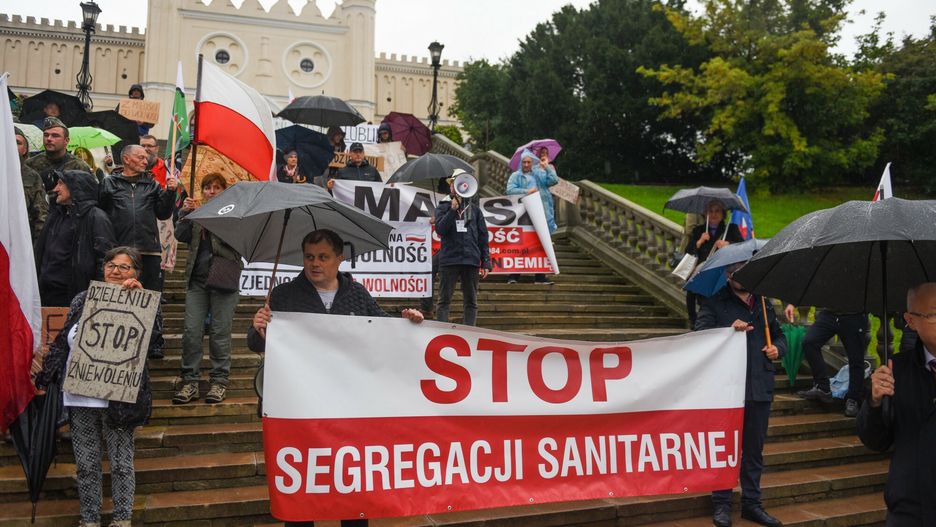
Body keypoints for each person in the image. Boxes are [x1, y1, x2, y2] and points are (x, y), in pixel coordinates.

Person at [248, 229, 422, 527]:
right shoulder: (284, 295)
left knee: (352, 490)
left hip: (348, 409)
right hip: (299, 411)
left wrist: (407, 322)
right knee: (301, 491)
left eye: (323, 257)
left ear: (340, 259)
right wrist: (258, 328)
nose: (315, 264)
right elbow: (257, 344)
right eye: (309, 257)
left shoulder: (357, 293)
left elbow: (383, 332)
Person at [35, 246, 162, 527]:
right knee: (87, 464)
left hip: (117, 399)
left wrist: (141, 300)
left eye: (124, 267)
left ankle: (122, 519)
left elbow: (154, 342)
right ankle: (89, 519)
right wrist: (48, 375)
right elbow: (63, 342)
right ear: (103, 269)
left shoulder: (141, 300)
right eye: (111, 265)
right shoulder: (83, 299)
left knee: (120, 463)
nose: (116, 271)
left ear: (136, 272)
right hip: (80, 396)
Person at [696, 261, 786, 527]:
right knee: (725, 449)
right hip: (727, 389)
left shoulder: (764, 304)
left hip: (759, 387)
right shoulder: (714, 302)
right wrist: (727, 331)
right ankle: (722, 504)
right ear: (726, 274)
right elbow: (699, 336)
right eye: (733, 271)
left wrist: (777, 350)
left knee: (754, 451)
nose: (738, 275)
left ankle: (751, 504)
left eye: (743, 270)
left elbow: (780, 337)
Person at [857, 282, 936, 525]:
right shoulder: (895, 371)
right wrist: (876, 401)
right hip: (910, 508)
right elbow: (876, 441)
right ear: (910, 320)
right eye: (934, 314)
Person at [172, 173, 242, 405]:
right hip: (197, 281)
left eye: (216, 188)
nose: (211, 192)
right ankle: (189, 381)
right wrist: (185, 214)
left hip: (223, 280)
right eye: (207, 188)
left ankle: (219, 381)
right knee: (192, 332)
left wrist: (215, 219)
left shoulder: (234, 214)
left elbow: (238, 245)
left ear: (224, 191)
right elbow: (180, 236)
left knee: (220, 333)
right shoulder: (196, 214)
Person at [98, 144, 178, 295]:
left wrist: (170, 193)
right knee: (119, 295)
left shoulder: (153, 185)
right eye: (141, 157)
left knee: (149, 296)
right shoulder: (109, 183)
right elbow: (101, 212)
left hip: (149, 250)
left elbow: (163, 214)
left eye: (146, 158)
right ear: (127, 159)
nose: (145, 162)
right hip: (119, 250)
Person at [34, 170, 115, 307]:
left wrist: (97, 300)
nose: (55, 189)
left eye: (60, 184)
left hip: (75, 297)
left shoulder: (97, 218)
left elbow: (105, 259)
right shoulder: (55, 215)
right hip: (46, 294)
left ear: (75, 186)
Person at [787, 305, 869, 417]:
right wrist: (792, 304)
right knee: (809, 342)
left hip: (854, 315)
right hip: (830, 313)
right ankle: (822, 387)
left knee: (856, 359)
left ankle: (853, 399)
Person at [434, 183, 492, 326]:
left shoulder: (475, 211)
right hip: (449, 259)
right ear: (451, 187)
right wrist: (452, 210)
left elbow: (483, 237)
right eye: (454, 184)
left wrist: (485, 261)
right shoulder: (443, 207)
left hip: (471, 259)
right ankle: (442, 331)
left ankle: (469, 332)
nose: (458, 188)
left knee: (471, 300)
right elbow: (440, 230)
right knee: (444, 299)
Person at [684, 200, 744, 327]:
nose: (714, 214)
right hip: (702, 269)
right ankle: (693, 320)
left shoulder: (730, 229)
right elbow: (688, 251)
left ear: (723, 214)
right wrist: (699, 241)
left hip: (723, 269)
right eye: (710, 211)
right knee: (691, 288)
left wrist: (728, 244)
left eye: (717, 211)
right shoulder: (699, 230)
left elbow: (743, 248)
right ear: (705, 213)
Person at [505, 148, 559, 284]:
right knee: (520, 244)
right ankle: (513, 276)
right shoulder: (516, 175)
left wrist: (546, 167)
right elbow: (510, 190)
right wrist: (527, 191)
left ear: (532, 162)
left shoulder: (539, 174)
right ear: (521, 163)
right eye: (524, 162)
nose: (527, 165)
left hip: (542, 213)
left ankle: (540, 277)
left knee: (542, 245)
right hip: (523, 214)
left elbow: (554, 181)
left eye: (529, 162)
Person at [25, 116, 92, 193]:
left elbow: (88, 195)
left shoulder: (79, 166)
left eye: (55, 135)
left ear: (66, 140)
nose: (49, 139)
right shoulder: (31, 164)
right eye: (46, 135)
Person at [14, 126, 48, 242]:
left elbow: (40, 215)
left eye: (17, 142)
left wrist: (37, 246)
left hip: (21, 240)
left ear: (25, 149)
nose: (13, 145)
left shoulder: (32, 177)